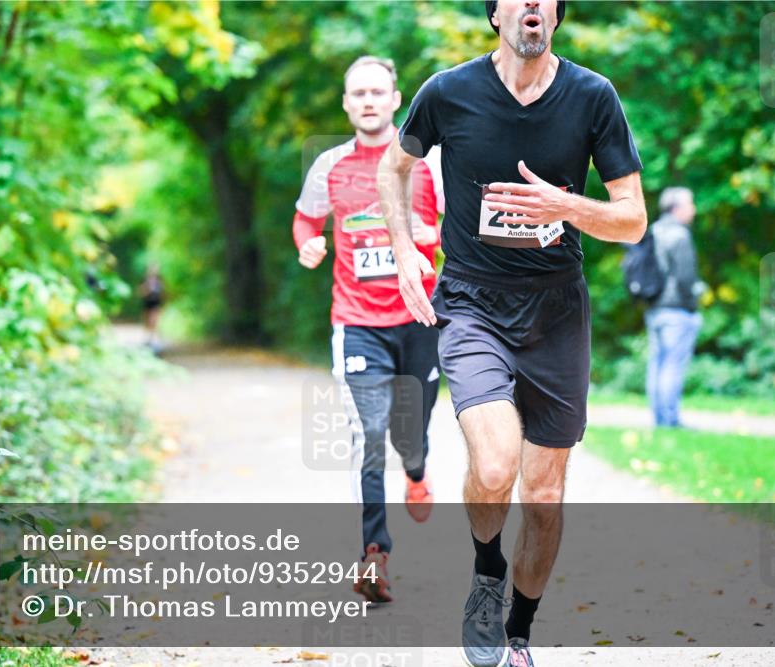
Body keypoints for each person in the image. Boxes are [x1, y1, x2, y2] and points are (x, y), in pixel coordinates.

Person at [377, 1, 646, 664]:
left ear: (557, 13)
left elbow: (633, 219)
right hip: (472, 304)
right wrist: (407, 246)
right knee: (495, 465)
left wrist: (566, 207)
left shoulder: (592, 97)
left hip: (556, 312)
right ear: (496, 14)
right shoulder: (448, 92)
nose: (533, 3)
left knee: (546, 495)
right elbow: (395, 168)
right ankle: (486, 571)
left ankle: (519, 632)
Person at [293, 55, 444, 603]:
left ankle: (420, 466)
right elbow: (307, 217)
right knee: (370, 436)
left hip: (420, 315)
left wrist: (429, 231)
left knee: (411, 436)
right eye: (358, 93)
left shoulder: (427, 163)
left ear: (396, 98)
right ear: (346, 103)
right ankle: (374, 554)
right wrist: (307, 242)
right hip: (356, 322)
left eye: (378, 91)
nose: (369, 101)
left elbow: (462, 221)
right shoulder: (329, 165)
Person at [645, 187, 705, 428]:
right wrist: (693, 307)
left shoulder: (653, 231)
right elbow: (685, 279)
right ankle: (669, 420)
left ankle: (659, 418)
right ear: (677, 208)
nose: (694, 209)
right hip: (677, 310)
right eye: (690, 204)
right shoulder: (680, 235)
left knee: (657, 362)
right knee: (672, 364)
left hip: (654, 308)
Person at [139, 267, 165, 353]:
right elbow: (140, 292)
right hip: (147, 303)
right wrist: (147, 290)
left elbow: (164, 293)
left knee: (154, 320)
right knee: (148, 322)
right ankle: (149, 338)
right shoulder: (144, 281)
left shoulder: (160, 281)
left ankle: (154, 339)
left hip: (156, 304)